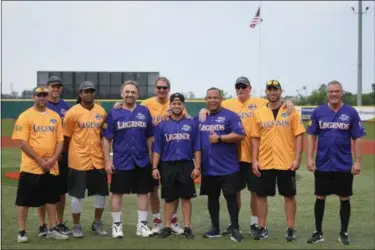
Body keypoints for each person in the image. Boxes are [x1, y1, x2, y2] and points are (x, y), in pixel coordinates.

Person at [198, 76, 294, 236]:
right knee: (234, 191)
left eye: (244, 86)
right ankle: (233, 223)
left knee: (255, 192)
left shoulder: (259, 102)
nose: (241, 89)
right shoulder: (227, 103)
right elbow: (212, 108)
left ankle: (254, 223)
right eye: (238, 87)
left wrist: (288, 102)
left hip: (254, 156)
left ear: (250, 88)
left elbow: (276, 103)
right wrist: (203, 110)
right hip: (233, 157)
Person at [114, 76, 185, 235]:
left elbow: (186, 118)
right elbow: (129, 109)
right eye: (159, 87)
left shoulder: (175, 103)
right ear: (155, 88)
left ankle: (173, 220)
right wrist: (118, 105)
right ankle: (157, 220)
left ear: (169, 89)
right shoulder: (146, 105)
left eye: (164, 87)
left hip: (171, 153)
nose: (161, 90)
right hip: (152, 153)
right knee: (152, 189)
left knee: (173, 189)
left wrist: (203, 110)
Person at [306, 80, 365, 245]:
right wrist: (310, 158)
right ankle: (318, 232)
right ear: (327, 93)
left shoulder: (350, 113)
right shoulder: (319, 112)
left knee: (344, 198)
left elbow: (358, 137)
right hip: (323, 163)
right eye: (331, 91)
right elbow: (311, 136)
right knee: (320, 197)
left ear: (341, 93)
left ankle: (344, 232)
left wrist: (358, 161)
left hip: (343, 163)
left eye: (337, 91)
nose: (333, 94)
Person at [250, 80, 305, 241]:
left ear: (281, 91)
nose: (272, 92)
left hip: (286, 161)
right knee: (261, 196)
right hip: (265, 161)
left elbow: (299, 135)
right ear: (266, 92)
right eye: (270, 89)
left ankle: (290, 228)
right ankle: (262, 227)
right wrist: (254, 160)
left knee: (289, 195)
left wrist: (297, 158)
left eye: (275, 89)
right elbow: (255, 138)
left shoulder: (290, 110)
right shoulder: (259, 112)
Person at [12, 86, 69, 243]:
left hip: (51, 166)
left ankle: (51, 228)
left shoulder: (55, 116)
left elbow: (60, 140)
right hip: (31, 166)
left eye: (45, 95)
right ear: (34, 97)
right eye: (39, 95)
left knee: (51, 199)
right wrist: (39, 159)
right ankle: (22, 231)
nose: (42, 98)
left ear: (48, 97)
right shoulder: (25, 116)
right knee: (24, 200)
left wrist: (53, 159)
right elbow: (22, 143)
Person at [102, 81, 155, 238]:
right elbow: (106, 139)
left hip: (141, 159)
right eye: (127, 92)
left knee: (143, 192)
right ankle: (117, 226)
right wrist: (107, 161)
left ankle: (142, 225)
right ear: (121, 94)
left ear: (137, 94)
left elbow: (150, 136)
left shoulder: (144, 111)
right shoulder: (113, 113)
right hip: (121, 160)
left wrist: (151, 156)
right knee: (117, 193)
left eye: (133, 92)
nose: (130, 94)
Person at [152, 93, 201, 239]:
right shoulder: (162, 125)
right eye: (174, 103)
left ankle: (187, 227)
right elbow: (157, 149)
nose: (177, 106)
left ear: (183, 105)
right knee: (169, 198)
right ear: (170, 105)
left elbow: (197, 147)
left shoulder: (192, 124)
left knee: (186, 197)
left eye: (179, 103)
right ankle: (167, 227)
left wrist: (197, 167)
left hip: (186, 164)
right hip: (167, 165)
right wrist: (154, 167)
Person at [199, 87, 245, 242]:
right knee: (212, 198)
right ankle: (215, 228)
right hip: (209, 168)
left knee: (231, 197)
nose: (212, 100)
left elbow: (240, 135)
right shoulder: (201, 117)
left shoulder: (230, 116)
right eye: (209, 98)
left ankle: (235, 228)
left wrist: (220, 138)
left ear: (221, 99)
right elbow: (180, 117)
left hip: (228, 167)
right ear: (206, 100)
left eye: (215, 97)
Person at [63, 81, 109, 238]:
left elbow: (103, 135)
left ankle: (97, 223)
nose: (89, 93)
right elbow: (66, 138)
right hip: (78, 160)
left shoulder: (101, 111)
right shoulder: (72, 113)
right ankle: (76, 225)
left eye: (91, 91)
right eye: (86, 91)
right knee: (76, 195)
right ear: (80, 93)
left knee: (101, 193)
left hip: (97, 159)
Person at [37, 76, 72, 236]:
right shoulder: (42, 104)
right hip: (44, 156)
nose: (56, 89)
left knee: (61, 191)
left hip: (62, 156)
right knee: (43, 189)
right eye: (53, 86)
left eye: (58, 86)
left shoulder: (66, 106)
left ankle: (59, 222)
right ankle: (43, 224)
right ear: (47, 87)